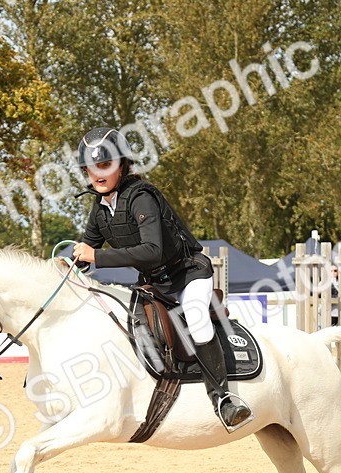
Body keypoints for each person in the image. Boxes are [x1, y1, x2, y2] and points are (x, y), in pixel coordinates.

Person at [70, 127, 252, 430]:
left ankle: (223, 399)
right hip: (155, 283)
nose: (97, 174)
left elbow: (152, 250)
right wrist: (71, 265)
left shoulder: (142, 197)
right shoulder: (100, 208)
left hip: (189, 273)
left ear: (121, 165)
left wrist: (96, 257)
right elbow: (87, 251)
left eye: (104, 165)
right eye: (91, 168)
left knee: (195, 317)